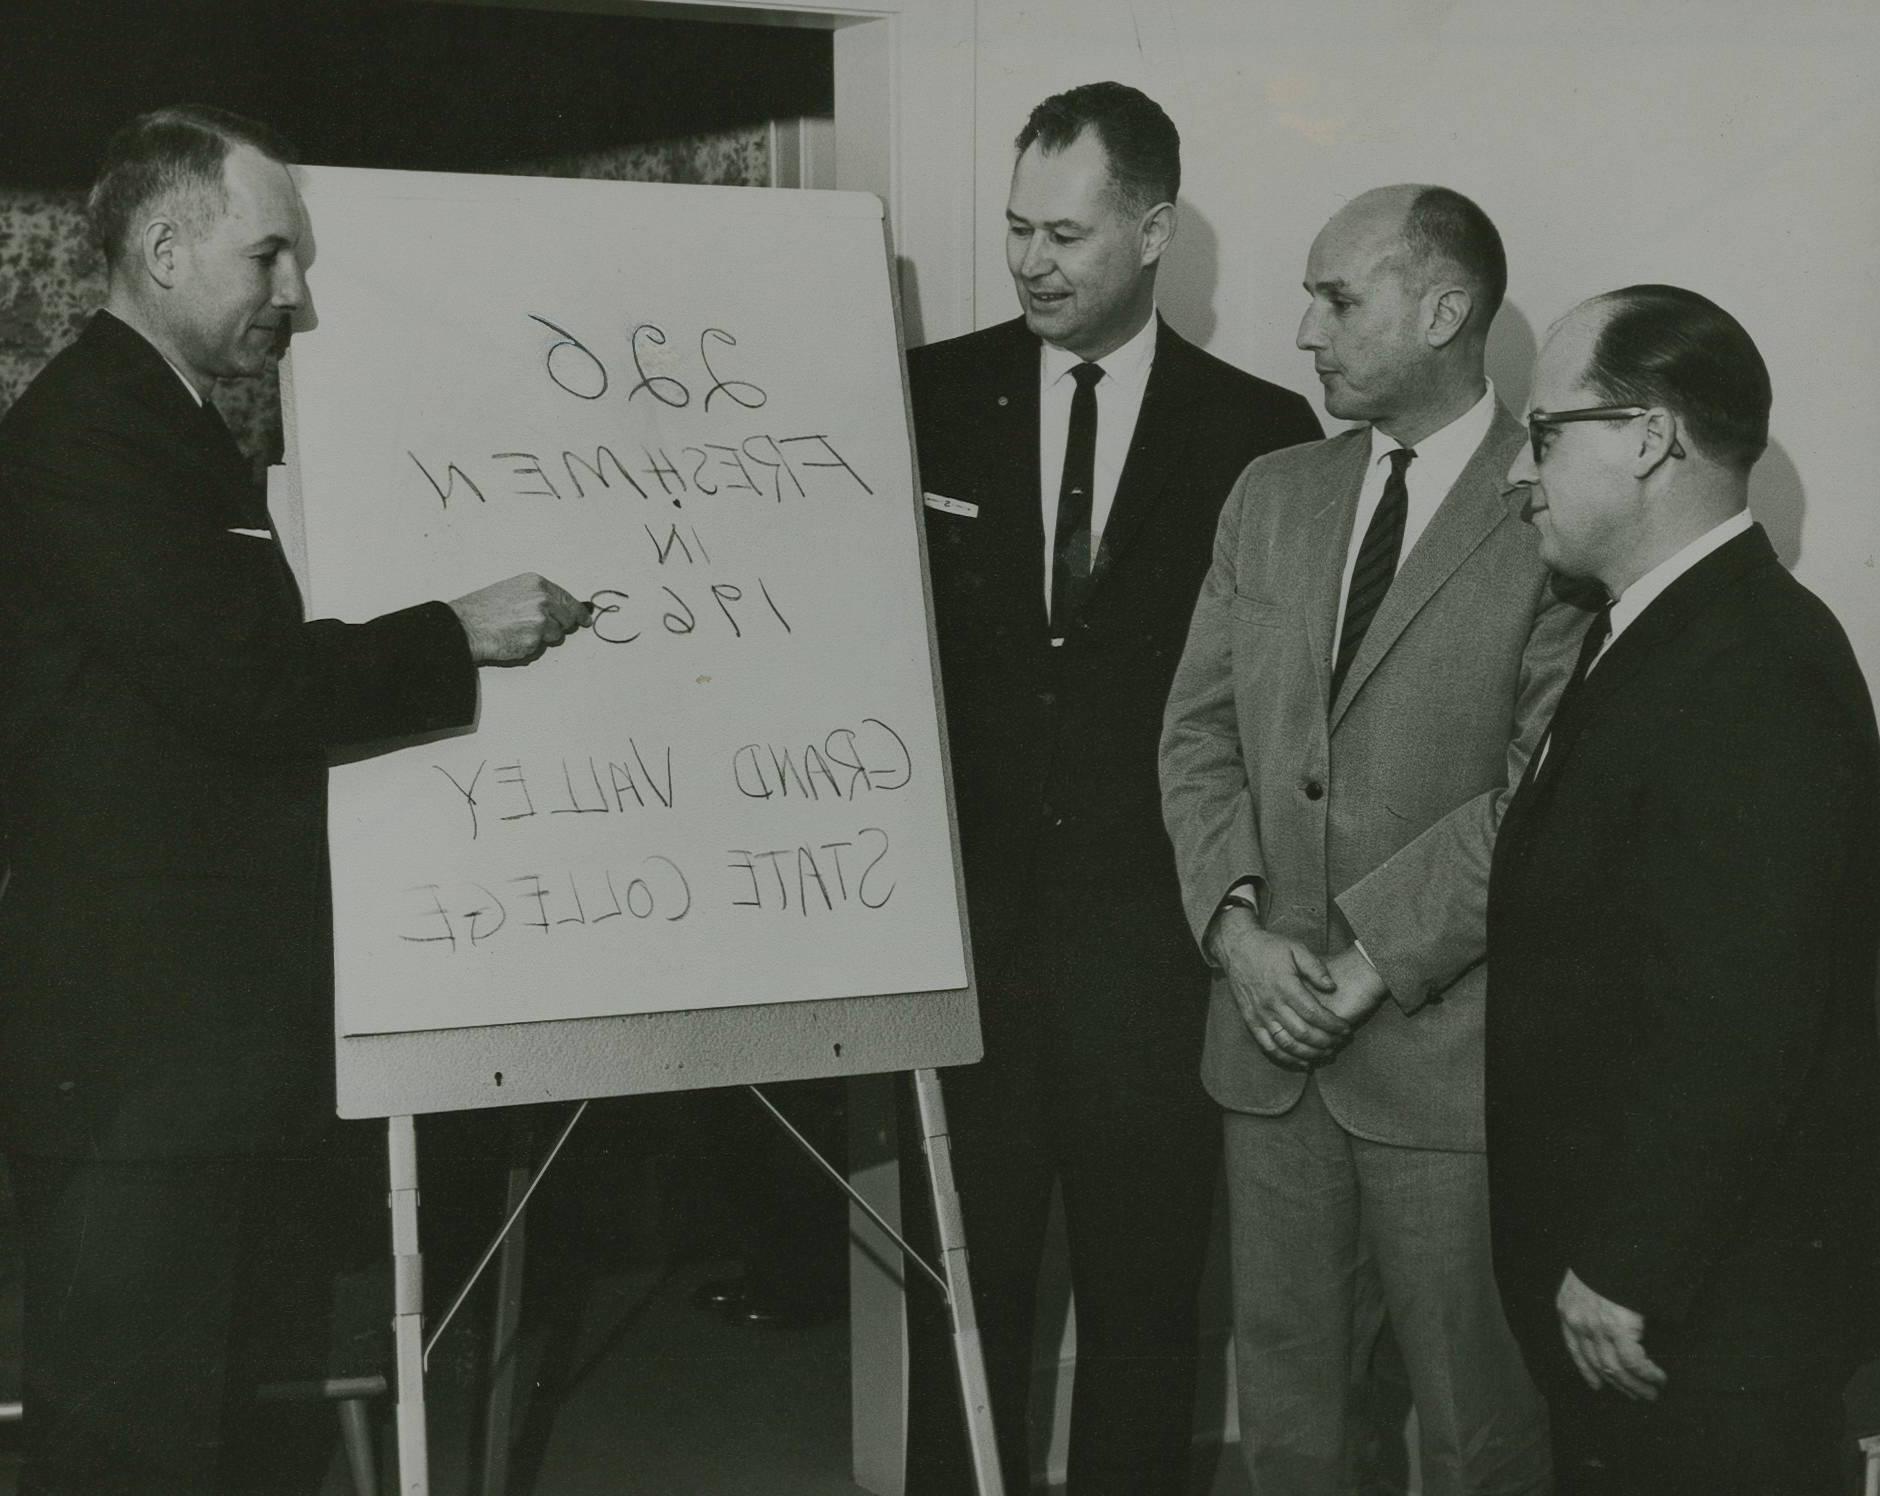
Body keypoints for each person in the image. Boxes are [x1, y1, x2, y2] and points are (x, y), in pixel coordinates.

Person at [0, 105, 591, 1494]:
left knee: (205, 1425)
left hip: (190, 1050)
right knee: (126, 1441)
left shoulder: (166, 426)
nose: (296, 297)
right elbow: (242, 683)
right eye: (270, 258)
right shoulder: (89, 432)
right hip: (138, 1061)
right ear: (159, 247)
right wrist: (456, 628)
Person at [899, 81, 1322, 1494]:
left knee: (1147, 1315)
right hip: (965, 961)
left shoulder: (1262, 436)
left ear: (1151, 231)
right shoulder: (930, 395)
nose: (1031, 261)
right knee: (959, 1305)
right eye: (1016, 228)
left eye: (1066, 234)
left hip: (1156, 962)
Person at [1159, 184, 1581, 1495]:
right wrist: (1237, 933)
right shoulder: (1269, 495)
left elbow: (1539, 792)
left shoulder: (1556, 516)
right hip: (1268, 1051)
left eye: (1339, 297)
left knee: (1478, 1429)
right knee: (1287, 1421)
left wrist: (1360, 964)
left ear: (1445, 310)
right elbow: (1197, 738)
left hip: (1449, 1064)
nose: (1305, 330)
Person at [1487, 285, 1880, 1496]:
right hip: (1655, 1314)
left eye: (1544, 432)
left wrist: (1625, 1262)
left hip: (1692, 1326)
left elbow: (1740, 1012)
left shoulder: (1754, 665)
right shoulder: (1663, 634)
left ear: (1648, 437)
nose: (1518, 470)